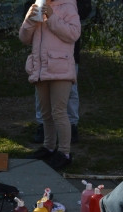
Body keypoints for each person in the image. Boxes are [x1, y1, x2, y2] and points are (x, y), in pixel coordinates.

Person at [20, 0, 80, 171]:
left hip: (60, 67)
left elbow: (73, 34)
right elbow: (24, 38)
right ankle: (48, 147)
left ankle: (64, 153)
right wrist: (30, 20)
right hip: (40, 68)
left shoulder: (68, 6)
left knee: (59, 111)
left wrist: (52, 18)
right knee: (46, 113)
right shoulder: (37, 5)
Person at [32, 0, 91, 145]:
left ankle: (71, 126)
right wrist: (31, 13)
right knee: (42, 96)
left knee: (69, 92)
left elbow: (83, 12)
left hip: (66, 53)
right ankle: (44, 130)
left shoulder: (70, 4)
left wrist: (55, 14)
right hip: (44, 55)